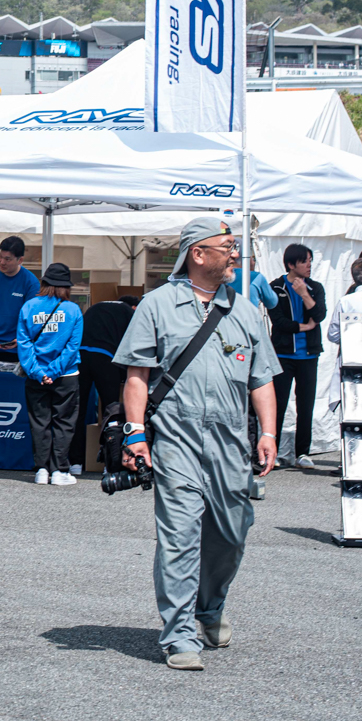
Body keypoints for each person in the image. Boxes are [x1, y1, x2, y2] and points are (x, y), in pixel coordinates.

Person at [114, 217, 280, 671]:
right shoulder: (156, 305)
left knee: (231, 532)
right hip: (176, 437)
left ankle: (208, 609)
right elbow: (137, 375)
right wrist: (135, 433)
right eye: (225, 246)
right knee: (180, 534)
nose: (234, 254)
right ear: (197, 254)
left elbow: (262, 379)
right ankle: (180, 633)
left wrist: (267, 433)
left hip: (230, 441)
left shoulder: (244, 310)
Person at [18, 263, 84, 485]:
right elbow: (72, 347)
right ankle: (59, 470)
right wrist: (54, 371)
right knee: (64, 422)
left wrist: (38, 372)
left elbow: (24, 345)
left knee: (39, 422)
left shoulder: (29, 307)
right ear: (66, 287)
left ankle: (42, 470)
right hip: (66, 375)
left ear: (43, 283)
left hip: (36, 376)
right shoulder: (73, 310)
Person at [266, 244, 327, 470]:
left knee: (306, 404)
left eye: (311, 260)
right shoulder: (276, 286)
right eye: (305, 261)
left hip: (309, 355)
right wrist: (304, 327)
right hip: (282, 354)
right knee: (278, 404)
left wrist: (304, 294)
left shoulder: (315, 287)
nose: (309, 265)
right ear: (291, 264)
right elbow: (279, 322)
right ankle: (273, 450)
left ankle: (303, 452)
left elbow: (319, 314)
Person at [74, 291, 138, 473]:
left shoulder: (96, 307)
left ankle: (75, 463)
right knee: (111, 413)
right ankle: (110, 464)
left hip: (82, 357)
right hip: (107, 359)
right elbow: (132, 344)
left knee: (78, 411)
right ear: (134, 307)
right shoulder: (129, 312)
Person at [0, 236, 40, 363]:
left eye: (7, 259)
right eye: (0, 257)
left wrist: (20, 339)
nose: (2, 262)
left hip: (15, 348)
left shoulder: (31, 282)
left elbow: (31, 317)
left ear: (20, 260)